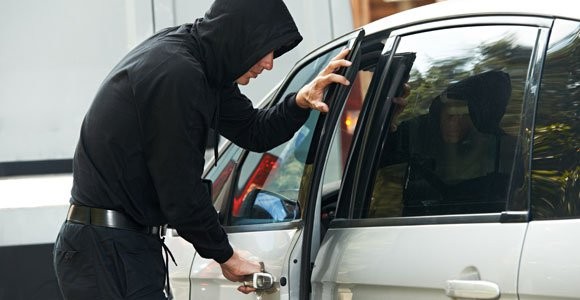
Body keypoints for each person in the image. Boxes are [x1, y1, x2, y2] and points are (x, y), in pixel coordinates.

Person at [52, 0, 352, 299]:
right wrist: (225, 255)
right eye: (267, 49)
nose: (269, 63)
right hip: (106, 250)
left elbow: (254, 131)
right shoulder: (178, 74)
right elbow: (180, 190)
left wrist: (299, 101)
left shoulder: (205, 68)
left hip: (122, 245)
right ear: (241, 38)